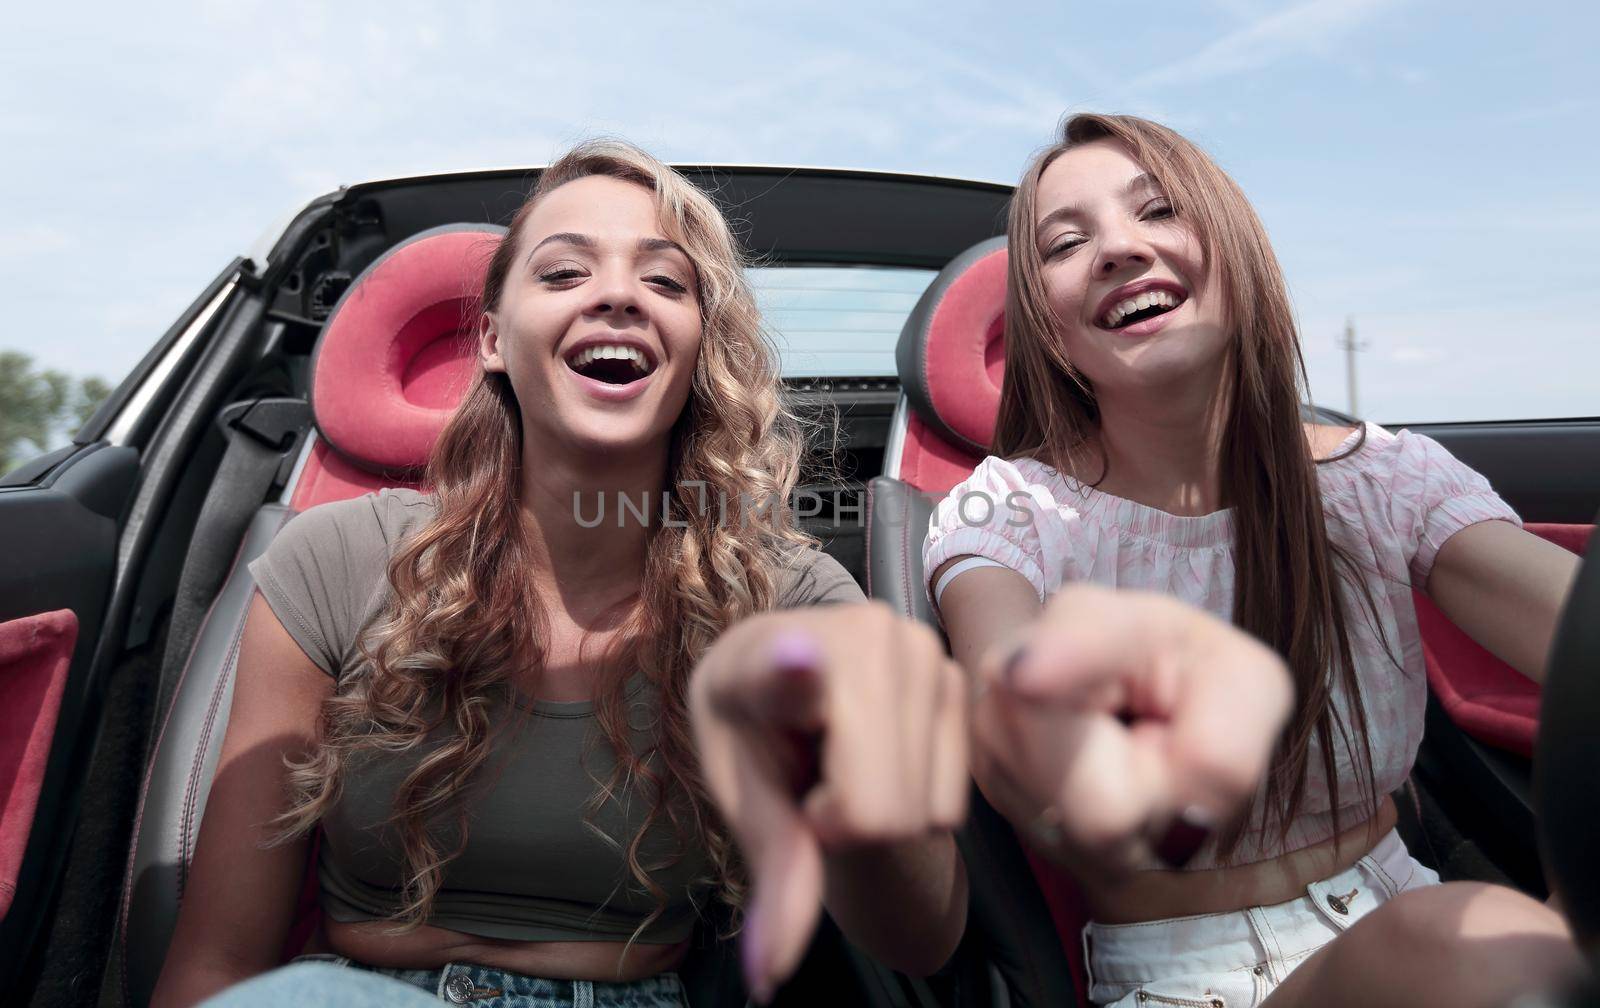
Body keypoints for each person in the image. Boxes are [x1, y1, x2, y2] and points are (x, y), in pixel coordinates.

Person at [154, 139, 971, 1008]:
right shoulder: (338, 558)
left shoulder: (793, 602)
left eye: (665, 282)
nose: (618, 294)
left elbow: (923, 945)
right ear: (494, 340)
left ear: (701, 351)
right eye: (562, 273)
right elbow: (217, 962)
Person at [927, 113, 1588, 1007]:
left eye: (1158, 210)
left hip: (1408, 909)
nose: (1120, 249)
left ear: (1235, 250)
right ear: (1046, 330)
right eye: (1066, 243)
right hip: (1186, 978)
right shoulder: (1007, 510)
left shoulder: (1385, 476)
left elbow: (1569, 627)